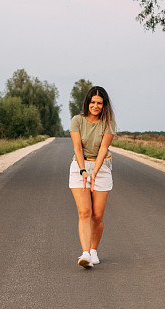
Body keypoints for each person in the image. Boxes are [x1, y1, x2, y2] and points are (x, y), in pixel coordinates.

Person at [69, 86, 117, 268]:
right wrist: (83, 171)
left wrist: (94, 172)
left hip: (101, 166)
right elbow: (77, 148)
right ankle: (85, 253)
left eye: (99, 103)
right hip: (79, 166)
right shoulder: (77, 121)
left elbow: (103, 149)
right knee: (84, 212)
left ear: (104, 105)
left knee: (97, 216)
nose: (96, 106)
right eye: (93, 102)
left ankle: (94, 250)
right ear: (87, 103)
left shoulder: (108, 123)